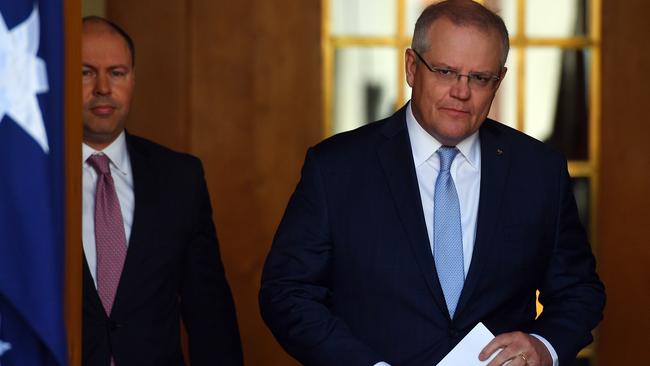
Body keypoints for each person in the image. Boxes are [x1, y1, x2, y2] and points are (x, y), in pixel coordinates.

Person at [259, 1, 605, 365]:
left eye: (480, 78)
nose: (461, 91)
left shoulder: (539, 171)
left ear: (498, 81)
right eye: (445, 71)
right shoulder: (336, 168)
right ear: (412, 67)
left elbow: (579, 290)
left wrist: (544, 346)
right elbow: (287, 292)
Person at [81, 16, 243, 365]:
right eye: (86, 72)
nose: (103, 88)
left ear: (134, 78)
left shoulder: (179, 177)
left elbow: (209, 313)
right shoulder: (27, 183)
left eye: (117, 72)